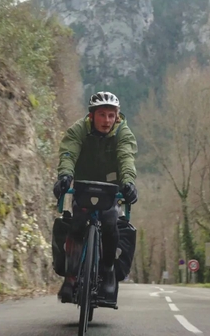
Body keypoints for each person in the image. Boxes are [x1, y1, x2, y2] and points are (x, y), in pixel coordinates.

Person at [53, 91, 138, 303]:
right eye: (102, 114)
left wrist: (128, 182)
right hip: (83, 185)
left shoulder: (123, 133)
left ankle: (108, 270)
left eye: (111, 115)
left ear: (117, 116)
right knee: (77, 225)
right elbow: (68, 154)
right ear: (92, 116)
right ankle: (71, 277)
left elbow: (126, 157)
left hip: (110, 188)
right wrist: (65, 176)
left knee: (110, 224)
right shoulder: (78, 130)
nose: (107, 120)